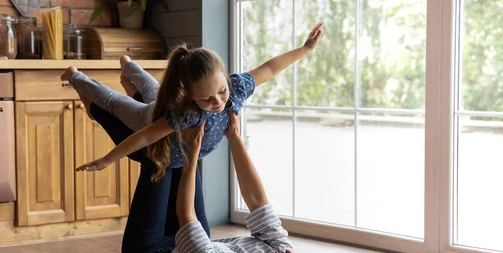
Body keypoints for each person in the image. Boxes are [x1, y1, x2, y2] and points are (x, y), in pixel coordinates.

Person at [140, 111, 356, 253]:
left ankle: (110, 110)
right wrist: (233, 135)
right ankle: (141, 97)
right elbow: (256, 200)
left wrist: (193, 151)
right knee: (174, 143)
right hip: (194, 244)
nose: (288, 252)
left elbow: (186, 216)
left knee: (157, 156)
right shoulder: (277, 252)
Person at [60, 22, 323, 182]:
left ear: (225, 78)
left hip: (164, 107)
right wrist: (107, 159)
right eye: (206, 99)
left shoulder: (237, 87)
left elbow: (270, 68)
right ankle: (75, 75)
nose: (218, 102)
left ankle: (129, 65)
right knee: (115, 103)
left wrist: (306, 48)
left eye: (221, 92)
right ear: (189, 95)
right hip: (146, 116)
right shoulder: (188, 114)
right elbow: (143, 137)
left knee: (153, 89)